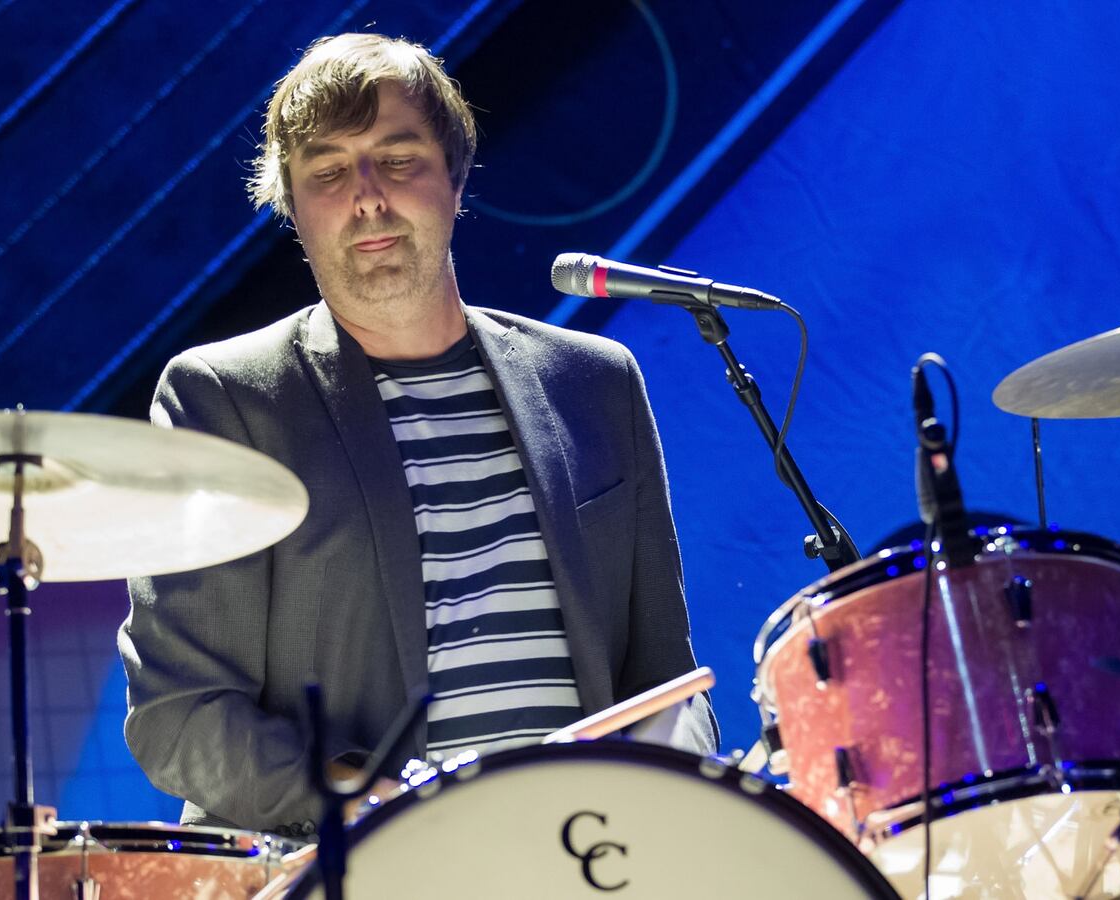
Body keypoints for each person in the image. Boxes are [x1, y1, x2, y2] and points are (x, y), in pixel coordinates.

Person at [118, 32, 715, 840]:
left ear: (455, 177)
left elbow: (666, 683)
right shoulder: (223, 400)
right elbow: (180, 719)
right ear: (291, 207)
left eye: (397, 160)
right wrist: (371, 805)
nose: (367, 197)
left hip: (590, 860)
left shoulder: (595, 382)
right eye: (328, 173)